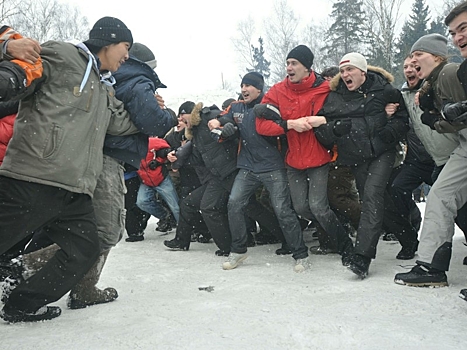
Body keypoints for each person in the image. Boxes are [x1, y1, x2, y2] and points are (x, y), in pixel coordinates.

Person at [0, 17, 140, 323]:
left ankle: (21, 303)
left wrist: (151, 106)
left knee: (85, 248)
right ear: (109, 40)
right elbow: (16, 64)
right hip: (34, 176)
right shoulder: (63, 55)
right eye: (125, 47)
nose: (127, 56)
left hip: (74, 191)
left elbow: (123, 124)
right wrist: (6, 45)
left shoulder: (103, 89)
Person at [255, 45, 354, 268]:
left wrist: (323, 121)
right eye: (287, 63)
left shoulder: (325, 89)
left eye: (294, 63)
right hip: (293, 160)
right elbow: (260, 124)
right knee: (301, 208)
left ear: (307, 67)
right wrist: (288, 125)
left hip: (319, 157)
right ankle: (333, 225)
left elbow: (345, 113)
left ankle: (345, 246)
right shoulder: (279, 90)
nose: (289, 67)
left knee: (318, 207)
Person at [315, 52, 409, 278]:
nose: (345, 74)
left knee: (372, 196)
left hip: (381, 152)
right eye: (342, 70)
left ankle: (362, 257)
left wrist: (388, 132)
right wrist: (334, 130)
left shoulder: (385, 90)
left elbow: (403, 119)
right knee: (378, 200)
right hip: (355, 156)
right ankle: (408, 237)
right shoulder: (334, 97)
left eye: (350, 70)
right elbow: (321, 130)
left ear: (362, 72)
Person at [394, 7, 467, 294]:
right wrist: (438, 120)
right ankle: (430, 266)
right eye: (454, 32)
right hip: (463, 148)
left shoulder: (449, 72)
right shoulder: (430, 86)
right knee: (440, 195)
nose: (411, 61)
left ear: (436, 57)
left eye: (418, 55)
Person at [208, 72, 306, 272]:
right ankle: (238, 250)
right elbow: (223, 118)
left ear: (260, 89)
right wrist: (218, 124)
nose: (244, 89)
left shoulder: (269, 105)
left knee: (282, 210)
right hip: (247, 168)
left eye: (249, 86)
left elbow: (285, 124)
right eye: (242, 85)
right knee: (234, 204)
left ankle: (300, 254)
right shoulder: (236, 107)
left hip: (273, 167)